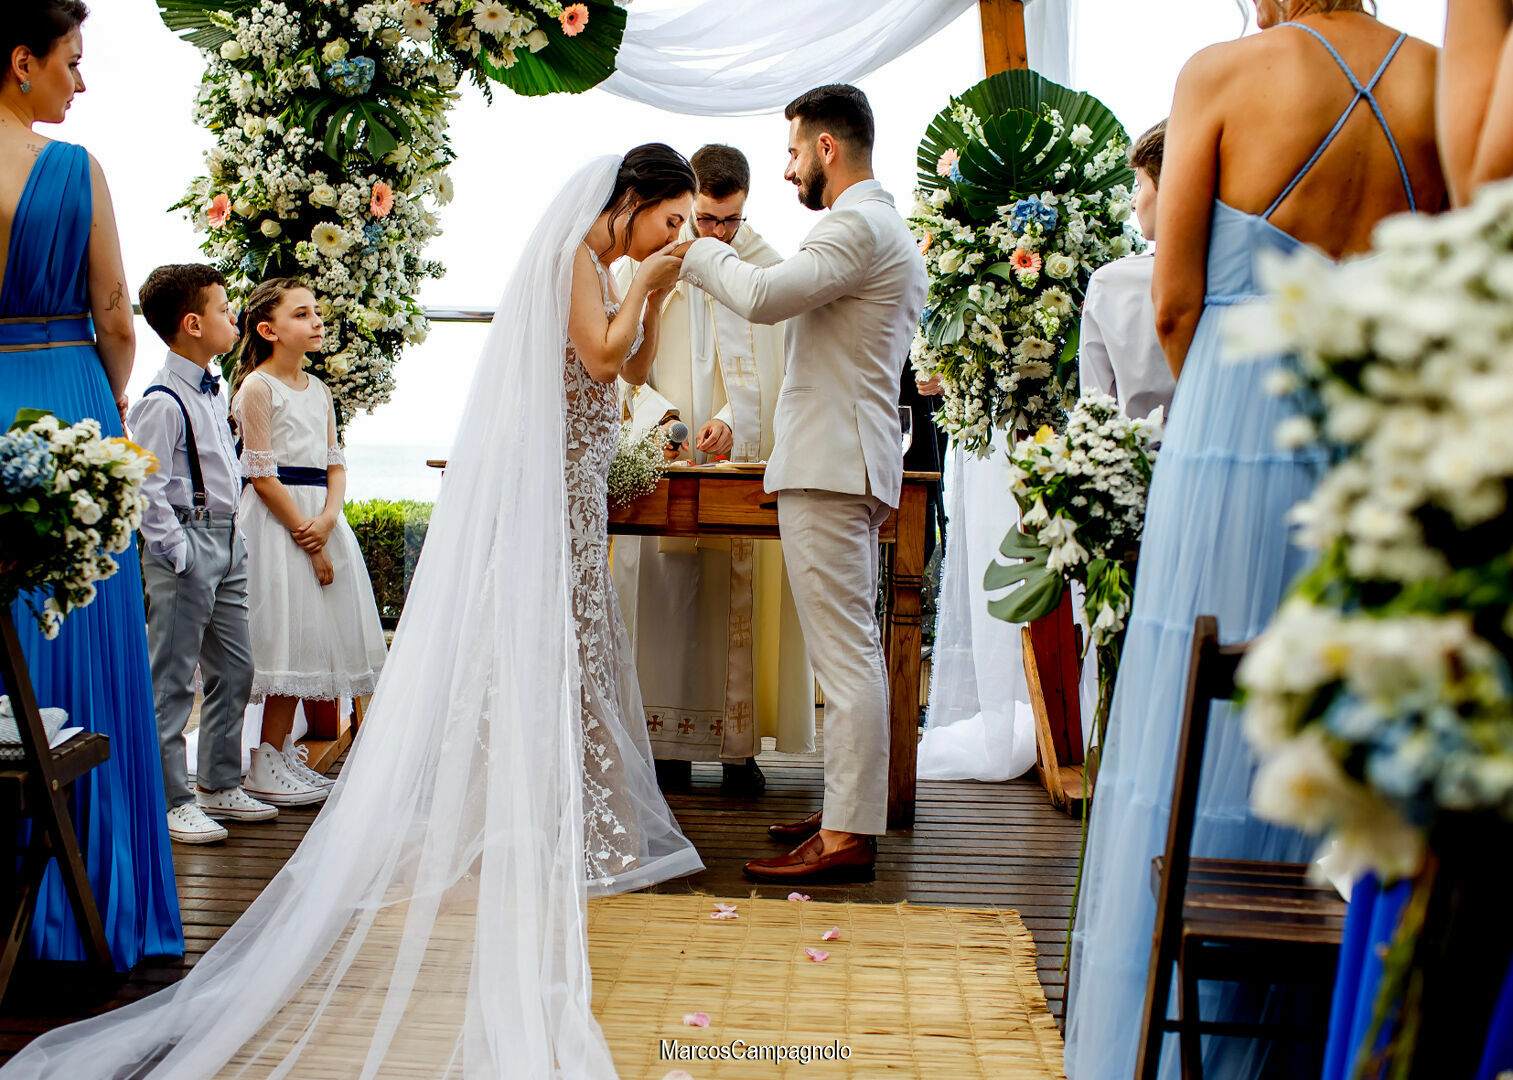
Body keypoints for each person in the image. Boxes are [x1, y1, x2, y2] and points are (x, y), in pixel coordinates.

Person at [0, 148, 701, 1077]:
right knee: (534, 651)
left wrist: (650, 293)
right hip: (547, 488)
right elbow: (595, 354)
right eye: (672, 219)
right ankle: (508, 819)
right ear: (635, 202)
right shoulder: (574, 252)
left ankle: (556, 817)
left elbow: (627, 365)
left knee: (577, 646)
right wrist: (641, 284)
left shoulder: (614, 268)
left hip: (578, 484)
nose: (678, 237)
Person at [1064, 4, 1444, 1078]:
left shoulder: (1220, 72)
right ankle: (1318, 1038)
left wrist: (1222, 426)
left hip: (1234, 435)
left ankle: (1179, 1047)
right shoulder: (1434, 79)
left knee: (1200, 729)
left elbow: (1174, 298)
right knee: (1348, 720)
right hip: (1388, 445)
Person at [676, 85, 928, 883]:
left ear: (826, 147)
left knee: (845, 657)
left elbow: (759, 295)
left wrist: (686, 245)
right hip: (841, 458)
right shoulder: (879, 224)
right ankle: (846, 808)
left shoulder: (855, 223)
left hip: (830, 462)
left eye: (790, 153)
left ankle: (849, 837)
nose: (786, 172)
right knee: (845, 649)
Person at [0, 0, 182, 969]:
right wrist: (98, 410)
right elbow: (117, 312)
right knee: (83, 638)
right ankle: (86, 904)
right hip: (65, 391)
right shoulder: (72, 170)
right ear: (21, 60)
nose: (82, 80)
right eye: (72, 60)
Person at [613, 143, 814, 797]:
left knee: (733, 595)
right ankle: (662, 744)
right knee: (661, 595)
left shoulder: (763, 267)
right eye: (704, 219)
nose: (716, 235)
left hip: (730, 456)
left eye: (729, 220)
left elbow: (781, 370)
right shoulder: (643, 264)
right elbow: (619, 364)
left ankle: (735, 748)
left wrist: (731, 417)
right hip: (662, 445)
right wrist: (662, 422)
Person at [130, 264, 275, 844]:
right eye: (222, 310)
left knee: (235, 667)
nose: (232, 318)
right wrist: (177, 550)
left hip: (227, 537)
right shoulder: (162, 401)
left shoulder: (214, 388)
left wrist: (229, 539)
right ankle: (170, 797)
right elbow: (144, 483)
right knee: (170, 679)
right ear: (192, 323)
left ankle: (218, 781)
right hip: (186, 542)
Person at [227, 279, 386, 808]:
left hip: (319, 516)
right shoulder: (257, 388)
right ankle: (263, 758)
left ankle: (282, 752)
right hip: (279, 525)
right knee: (282, 634)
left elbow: (335, 462)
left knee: (308, 638)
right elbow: (261, 474)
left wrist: (330, 519)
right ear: (269, 330)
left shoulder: (320, 390)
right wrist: (308, 538)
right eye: (302, 314)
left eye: (315, 312)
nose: (316, 321)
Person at [1077, 119, 1176, 423]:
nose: (1133, 203)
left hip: (1139, 459)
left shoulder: (1111, 283)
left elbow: (1096, 409)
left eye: (1139, 185)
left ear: (1169, 185)